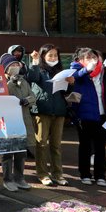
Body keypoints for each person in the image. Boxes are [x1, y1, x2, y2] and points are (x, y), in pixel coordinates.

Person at [70, 47, 106, 187]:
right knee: (85, 147)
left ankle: (100, 175)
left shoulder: (103, 74)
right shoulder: (76, 72)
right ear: (80, 61)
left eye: (94, 57)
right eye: (88, 58)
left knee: (100, 147)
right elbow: (73, 79)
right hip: (84, 116)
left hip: (102, 115)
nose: (93, 60)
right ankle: (85, 174)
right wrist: (86, 70)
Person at [26, 44, 73, 187]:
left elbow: (65, 92)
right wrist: (34, 62)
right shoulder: (39, 69)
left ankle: (57, 174)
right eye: (50, 55)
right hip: (42, 110)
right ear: (43, 57)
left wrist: (71, 84)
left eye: (55, 55)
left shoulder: (61, 71)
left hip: (59, 111)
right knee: (41, 143)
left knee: (56, 145)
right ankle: (42, 173)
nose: (53, 58)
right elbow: (31, 78)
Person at [0, 54, 35, 192]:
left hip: (23, 119)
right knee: (8, 152)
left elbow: (33, 96)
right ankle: (7, 179)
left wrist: (27, 100)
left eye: (17, 65)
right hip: (7, 121)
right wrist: (10, 83)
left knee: (21, 151)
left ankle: (19, 178)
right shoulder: (1, 81)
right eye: (11, 66)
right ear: (5, 69)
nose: (15, 68)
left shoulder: (23, 81)